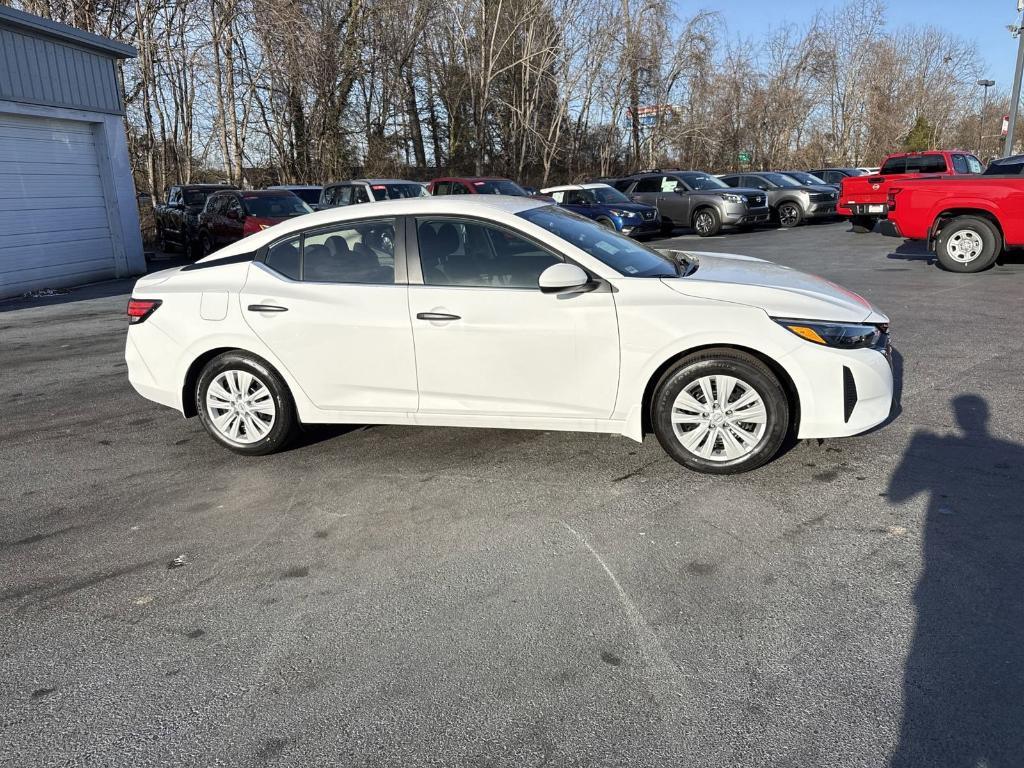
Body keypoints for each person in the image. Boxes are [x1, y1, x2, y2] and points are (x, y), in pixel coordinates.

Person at [887, 394, 1024, 766]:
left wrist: (917, 454)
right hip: (1009, 591)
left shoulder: (939, 446)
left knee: (925, 680)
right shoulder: (1014, 452)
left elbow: (897, 496)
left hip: (941, 585)